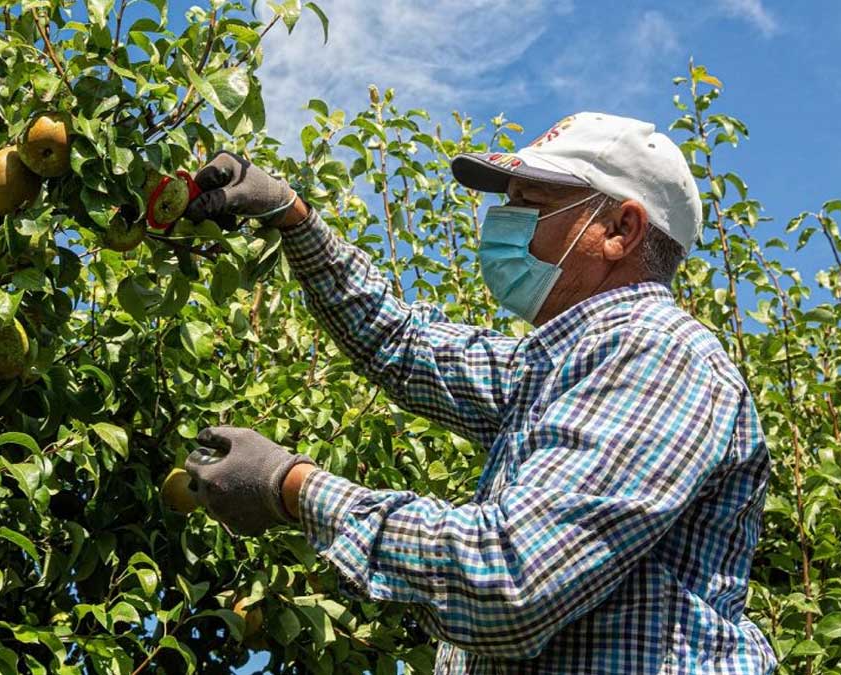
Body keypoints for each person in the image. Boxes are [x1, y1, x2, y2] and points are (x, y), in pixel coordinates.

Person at [181, 112, 777, 673]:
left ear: (620, 230)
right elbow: (403, 342)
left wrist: (293, 488)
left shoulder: (657, 356)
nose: (503, 220)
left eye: (530, 203)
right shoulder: (554, 366)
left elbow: (512, 580)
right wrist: (292, 215)